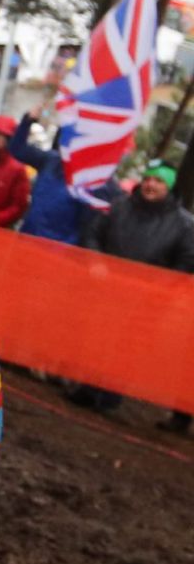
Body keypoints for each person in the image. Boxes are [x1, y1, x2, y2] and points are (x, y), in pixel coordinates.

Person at [77, 161, 194, 431]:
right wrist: (96, 262)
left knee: (129, 345)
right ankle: (85, 387)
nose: (151, 185)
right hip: (109, 290)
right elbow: (94, 232)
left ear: (169, 186)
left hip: (148, 300)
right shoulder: (120, 205)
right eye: (149, 179)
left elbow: (187, 261)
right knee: (96, 336)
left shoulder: (183, 224)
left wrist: (162, 286)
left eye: (159, 181)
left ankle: (109, 395)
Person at [9, 105, 115, 243]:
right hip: (28, 238)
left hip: (58, 250)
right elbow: (17, 149)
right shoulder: (50, 160)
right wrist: (27, 121)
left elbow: (88, 226)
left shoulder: (90, 181)